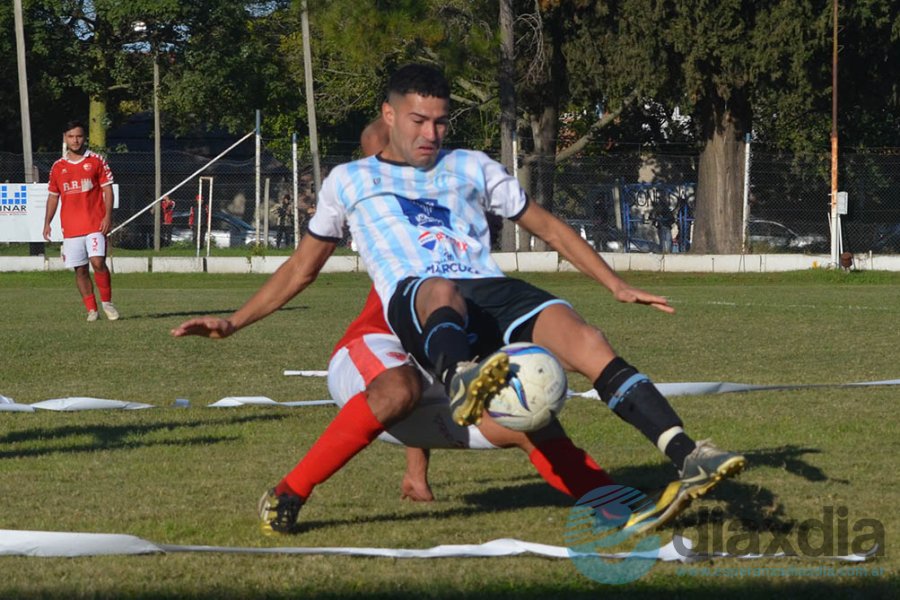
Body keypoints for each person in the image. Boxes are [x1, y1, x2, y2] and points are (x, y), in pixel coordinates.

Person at [173, 64, 744, 534]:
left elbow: (546, 225)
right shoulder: (348, 181)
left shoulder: (473, 166)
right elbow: (302, 267)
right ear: (389, 116)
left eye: (441, 122)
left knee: (581, 344)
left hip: (483, 293)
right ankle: (294, 490)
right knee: (428, 316)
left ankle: (685, 455)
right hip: (413, 303)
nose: (431, 134)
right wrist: (235, 321)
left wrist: (613, 283)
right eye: (419, 120)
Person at [43, 120, 119, 322]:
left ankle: (107, 303)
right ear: (65, 138)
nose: (75, 140)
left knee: (98, 261)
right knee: (81, 269)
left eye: (79, 136)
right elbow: (53, 196)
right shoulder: (58, 166)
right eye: (71, 136)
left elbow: (107, 190)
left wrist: (107, 216)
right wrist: (47, 222)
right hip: (71, 227)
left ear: (84, 137)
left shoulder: (96, 160)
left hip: (95, 223)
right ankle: (92, 310)